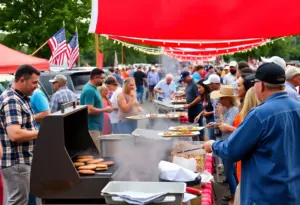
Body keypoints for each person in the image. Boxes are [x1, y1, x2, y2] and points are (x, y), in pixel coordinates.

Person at [204, 63, 300, 205]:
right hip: (292, 192)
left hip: (264, 194)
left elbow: (232, 150)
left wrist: (213, 145)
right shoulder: (297, 108)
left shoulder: (260, 114)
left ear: (260, 85)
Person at [0, 65, 40, 205]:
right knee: (17, 202)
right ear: (22, 80)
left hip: (23, 160)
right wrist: (42, 133)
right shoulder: (12, 100)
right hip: (17, 162)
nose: (37, 86)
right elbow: (15, 134)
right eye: (34, 82)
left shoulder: (21, 98)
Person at [209, 85, 240, 202]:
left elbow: (225, 127)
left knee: (229, 172)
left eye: (222, 98)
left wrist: (220, 115)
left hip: (229, 143)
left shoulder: (234, 110)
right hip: (227, 142)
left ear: (227, 99)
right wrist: (215, 123)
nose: (220, 101)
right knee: (230, 172)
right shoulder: (230, 109)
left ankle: (234, 197)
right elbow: (224, 125)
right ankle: (235, 195)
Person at [80, 68, 114, 152]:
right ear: (95, 77)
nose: (103, 80)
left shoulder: (94, 88)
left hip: (97, 127)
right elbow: (89, 110)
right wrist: (105, 110)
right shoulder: (89, 90)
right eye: (102, 78)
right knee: (97, 153)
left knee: (99, 152)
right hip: (92, 127)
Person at [180, 71, 202, 140]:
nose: (183, 81)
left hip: (196, 108)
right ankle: (194, 143)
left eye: (184, 79)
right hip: (191, 109)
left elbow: (199, 97)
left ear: (188, 76)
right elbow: (188, 93)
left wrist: (189, 105)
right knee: (192, 128)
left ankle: (202, 144)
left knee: (198, 128)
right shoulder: (188, 83)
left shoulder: (195, 83)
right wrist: (180, 95)